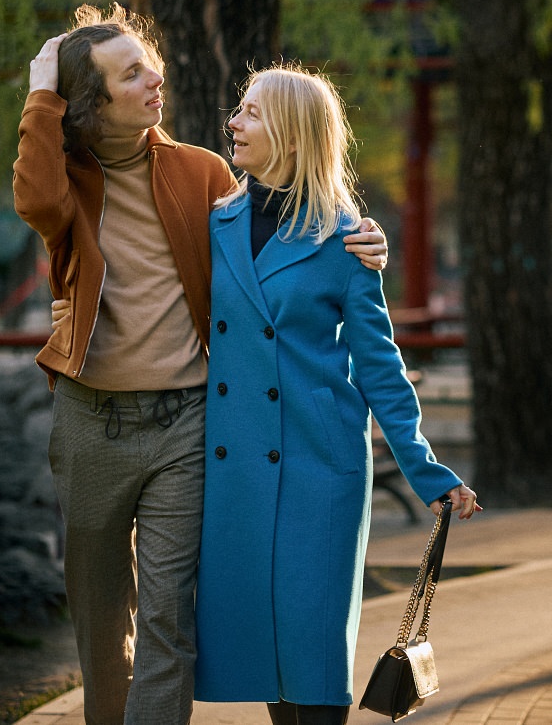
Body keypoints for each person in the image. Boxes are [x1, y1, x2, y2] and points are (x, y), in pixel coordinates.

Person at [13, 5, 388, 725]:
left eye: (149, 61)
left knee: (166, 618)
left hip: (187, 421)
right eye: (131, 73)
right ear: (91, 107)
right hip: (91, 422)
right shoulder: (67, 179)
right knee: (99, 619)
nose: (156, 77)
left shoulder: (201, 173)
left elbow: (279, 247)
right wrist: (40, 87)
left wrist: (363, 244)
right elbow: (32, 198)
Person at [193, 63, 481, 725]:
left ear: (292, 138)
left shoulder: (345, 239)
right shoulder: (213, 224)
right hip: (236, 472)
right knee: (267, 653)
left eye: (251, 113)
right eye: (238, 109)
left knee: (315, 656)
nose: (233, 123)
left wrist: (425, 470)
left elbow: (380, 367)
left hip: (320, 473)